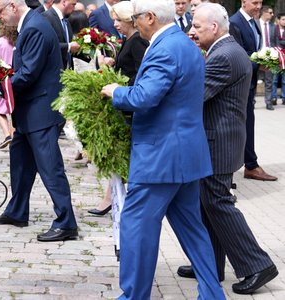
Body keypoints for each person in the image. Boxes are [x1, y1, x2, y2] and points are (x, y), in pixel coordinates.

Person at [100, 0, 225, 298]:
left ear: (151, 17)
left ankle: (133, 295)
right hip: (185, 156)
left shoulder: (165, 48)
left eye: (135, 18)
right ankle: (212, 294)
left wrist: (116, 91)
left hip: (160, 159)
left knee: (136, 228)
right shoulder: (184, 44)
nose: (133, 23)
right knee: (193, 230)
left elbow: (144, 97)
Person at [180, 3, 279, 295]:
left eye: (197, 26)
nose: (192, 31)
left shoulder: (224, 55)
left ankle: (256, 265)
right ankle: (211, 263)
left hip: (218, 142)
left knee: (218, 203)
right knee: (208, 204)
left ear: (214, 27)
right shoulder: (228, 49)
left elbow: (195, 96)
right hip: (220, 139)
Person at [0, 0, 79, 242]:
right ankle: (17, 211)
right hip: (29, 111)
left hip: (40, 111)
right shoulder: (29, 25)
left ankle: (67, 222)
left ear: (13, 7)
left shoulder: (34, 28)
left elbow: (28, 73)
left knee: (50, 168)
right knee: (20, 163)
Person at [88, 0, 148, 217]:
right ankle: (111, 199)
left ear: (130, 21)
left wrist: (119, 83)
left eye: (118, 20)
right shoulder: (129, 39)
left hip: (130, 105)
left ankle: (113, 200)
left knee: (124, 155)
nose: (114, 24)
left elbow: (142, 74)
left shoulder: (137, 41)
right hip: (125, 102)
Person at [230, 0, 278, 181]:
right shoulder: (235, 22)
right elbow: (237, 55)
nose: (258, 6)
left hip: (249, 83)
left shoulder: (252, 22)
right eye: (254, 2)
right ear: (243, 2)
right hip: (241, 84)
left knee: (248, 123)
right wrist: (260, 64)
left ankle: (250, 163)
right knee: (245, 124)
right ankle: (250, 165)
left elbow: (252, 51)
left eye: (260, 2)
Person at [0, 23, 18, 149]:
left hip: (2, 78)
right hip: (16, 78)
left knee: (0, 110)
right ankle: (14, 133)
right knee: (14, 109)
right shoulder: (19, 41)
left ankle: (7, 135)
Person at [42, 0, 81, 69]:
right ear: (64, 2)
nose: (74, 8)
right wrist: (68, 47)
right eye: (73, 4)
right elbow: (44, 45)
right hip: (53, 72)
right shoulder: (46, 17)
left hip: (66, 72)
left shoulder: (65, 20)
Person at [258, 6, 277, 110]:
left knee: (269, 80)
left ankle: (268, 102)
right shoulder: (255, 24)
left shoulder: (273, 27)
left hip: (269, 56)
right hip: (257, 55)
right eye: (270, 12)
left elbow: (275, 42)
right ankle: (252, 101)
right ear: (264, 13)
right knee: (253, 79)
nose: (272, 14)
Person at [272, 12, 285, 103]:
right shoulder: (273, 29)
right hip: (275, 57)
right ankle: (273, 97)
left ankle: (284, 98)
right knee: (274, 79)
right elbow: (271, 42)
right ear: (278, 20)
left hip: (284, 57)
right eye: (283, 19)